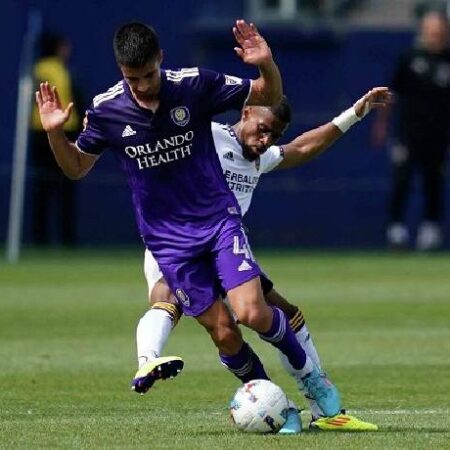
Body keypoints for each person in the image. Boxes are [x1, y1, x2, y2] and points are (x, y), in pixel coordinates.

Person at [35, 20, 342, 431]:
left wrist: (266, 65)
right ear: (120, 70)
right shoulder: (107, 110)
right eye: (133, 78)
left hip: (218, 222)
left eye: (148, 75)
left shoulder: (194, 85)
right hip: (169, 243)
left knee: (252, 311)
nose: (143, 86)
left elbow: (269, 95)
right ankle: (277, 406)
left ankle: (313, 383)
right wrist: (56, 135)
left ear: (160, 59)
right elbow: (74, 168)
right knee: (224, 333)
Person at [137, 88, 391, 432]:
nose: (266, 138)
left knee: (277, 313)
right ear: (244, 114)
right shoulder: (205, 137)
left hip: (224, 247)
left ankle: (322, 403)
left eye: (274, 134)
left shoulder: (261, 155)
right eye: (263, 127)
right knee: (224, 331)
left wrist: (354, 114)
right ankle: (283, 408)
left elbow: (302, 147)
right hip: (181, 246)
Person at [373, 11, 450, 251]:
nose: (434, 35)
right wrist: (382, 124)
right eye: (430, 29)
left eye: (438, 30)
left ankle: (430, 231)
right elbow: (391, 95)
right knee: (402, 179)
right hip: (407, 133)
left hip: (438, 135)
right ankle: (396, 230)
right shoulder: (408, 58)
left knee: (433, 182)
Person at [30, 32, 82, 246]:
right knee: (63, 187)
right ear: (58, 48)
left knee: (44, 189)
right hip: (61, 131)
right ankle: (65, 238)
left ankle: (42, 239)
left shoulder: (36, 69)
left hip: (40, 132)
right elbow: (73, 99)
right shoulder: (58, 71)